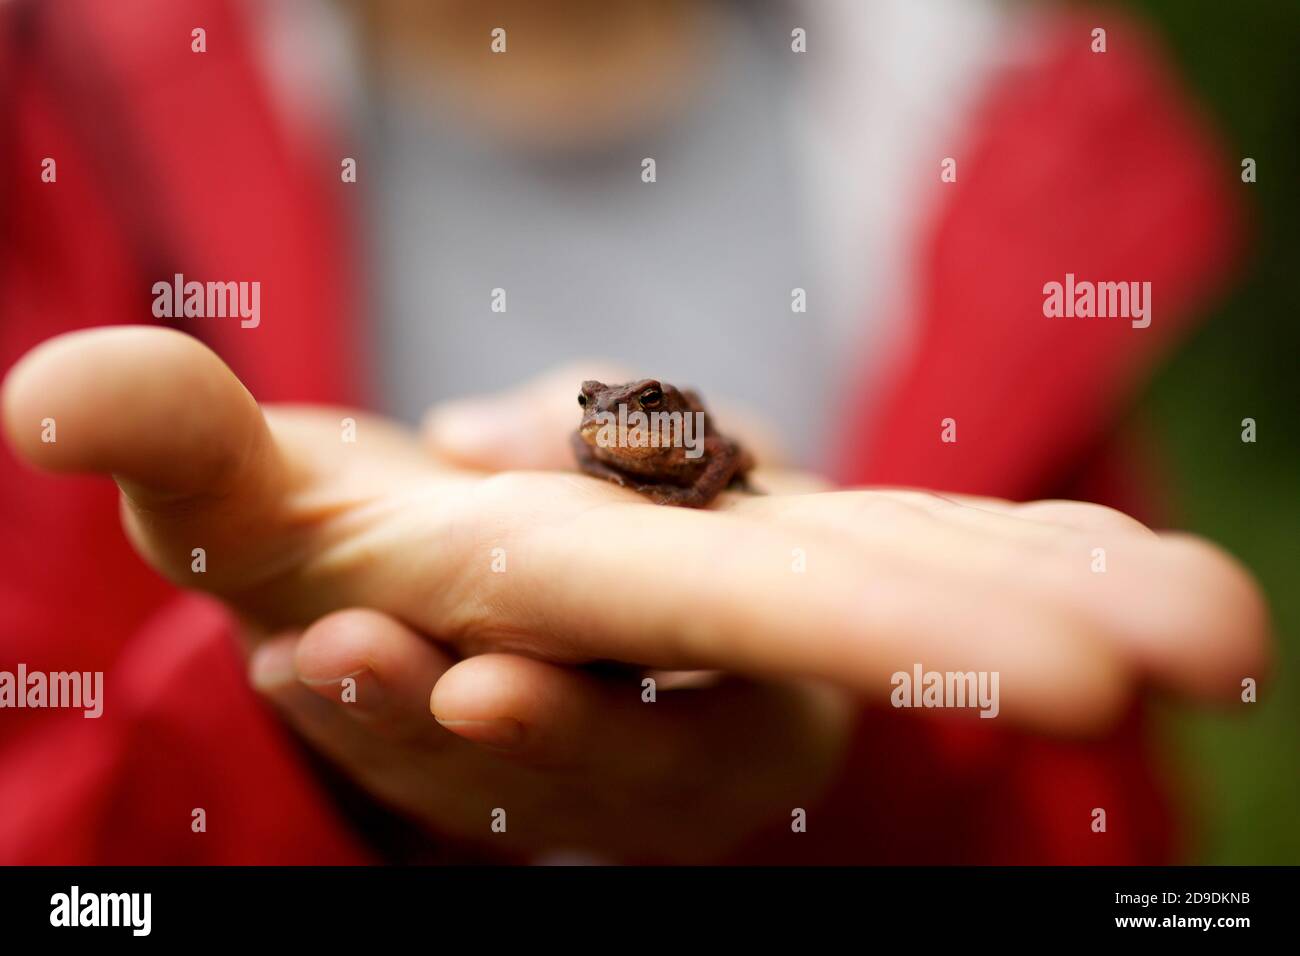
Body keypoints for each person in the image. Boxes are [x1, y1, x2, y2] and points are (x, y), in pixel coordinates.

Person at [0, 0, 1269, 864]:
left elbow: (1104, 817)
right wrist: (303, 756)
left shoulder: (991, 121)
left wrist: (852, 780)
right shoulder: (60, 96)